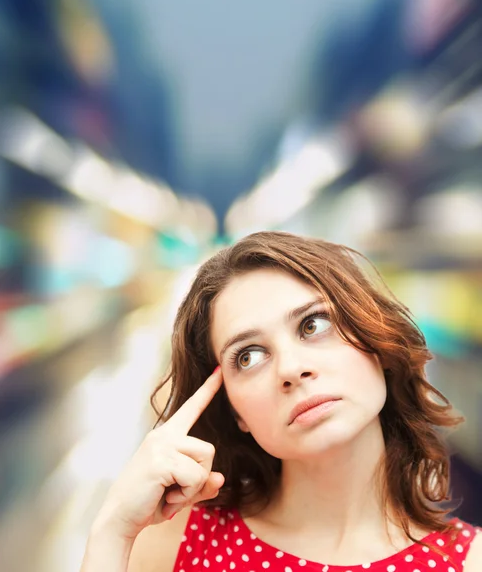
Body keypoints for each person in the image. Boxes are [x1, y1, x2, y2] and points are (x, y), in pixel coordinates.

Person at [79, 231, 482, 571]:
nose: (291, 368)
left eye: (313, 324)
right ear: (235, 410)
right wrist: (111, 531)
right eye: (249, 356)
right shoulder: (176, 542)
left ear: (374, 340)